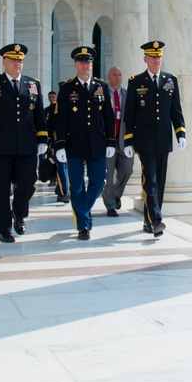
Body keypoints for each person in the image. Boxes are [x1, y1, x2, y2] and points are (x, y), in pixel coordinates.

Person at [0, 43, 48, 243]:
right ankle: (4, 228)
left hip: (26, 145)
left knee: (27, 182)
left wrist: (43, 138)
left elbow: (39, 114)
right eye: (14, 60)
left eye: (20, 60)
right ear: (4, 61)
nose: (18, 64)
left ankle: (19, 213)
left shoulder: (32, 84)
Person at [123, 41, 186, 238]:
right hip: (144, 139)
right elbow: (129, 114)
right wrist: (127, 140)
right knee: (149, 180)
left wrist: (180, 132)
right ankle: (157, 220)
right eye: (153, 57)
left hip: (164, 138)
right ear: (145, 59)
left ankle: (148, 220)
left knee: (159, 181)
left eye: (159, 57)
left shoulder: (170, 80)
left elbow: (176, 110)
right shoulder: (136, 81)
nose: (157, 60)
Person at [52, 47, 116, 240]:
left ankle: (83, 212)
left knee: (99, 181)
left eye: (88, 62)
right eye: (81, 62)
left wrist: (111, 141)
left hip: (97, 142)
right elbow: (60, 118)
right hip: (74, 143)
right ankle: (83, 225)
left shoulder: (101, 87)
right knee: (76, 186)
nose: (85, 65)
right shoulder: (66, 88)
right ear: (75, 64)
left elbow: (108, 116)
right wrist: (59, 144)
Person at [102, 66, 135, 216]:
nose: (117, 77)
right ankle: (110, 205)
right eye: (114, 75)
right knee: (108, 174)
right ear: (108, 77)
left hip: (124, 141)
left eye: (120, 75)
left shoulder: (128, 95)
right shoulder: (101, 94)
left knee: (127, 170)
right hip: (107, 141)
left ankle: (116, 194)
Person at [43, 90, 70, 203]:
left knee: (67, 168)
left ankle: (62, 189)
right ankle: (64, 191)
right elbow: (49, 126)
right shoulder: (52, 109)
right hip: (56, 142)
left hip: (71, 142)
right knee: (61, 167)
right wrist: (48, 141)